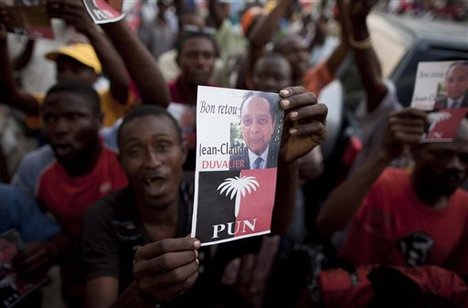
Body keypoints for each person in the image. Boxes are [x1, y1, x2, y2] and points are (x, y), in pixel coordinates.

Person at [81, 85, 328, 307]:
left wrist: (287, 163)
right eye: (135, 151)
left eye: (163, 146)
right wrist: (141, 297)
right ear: (120, 160)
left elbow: (275, 227)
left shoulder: (210, 189)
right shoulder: (103, 217)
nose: (152, 162)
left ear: (183, 151)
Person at [11, 80, 128, 307]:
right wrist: (41, 252)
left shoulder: (122, 154)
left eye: (73, 117)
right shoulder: (34, 167)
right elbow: (23, 225)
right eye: (50, 119)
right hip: (75, 278)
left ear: (100, 121)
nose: (60, 129)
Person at [316, 108, 468, 279]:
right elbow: (326, 224)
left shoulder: (464, 209)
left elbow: (454, 281)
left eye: (465, 158)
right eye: (443, 154)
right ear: (415, 151)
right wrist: (385, 155)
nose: (456, 166)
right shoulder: (380, 183)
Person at [230, 91, 281, 170]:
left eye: (262, 120)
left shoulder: (283, 157)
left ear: (273, 126)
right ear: (241, 126)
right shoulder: (231, 163)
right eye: (247, 121)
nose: (254, 129)